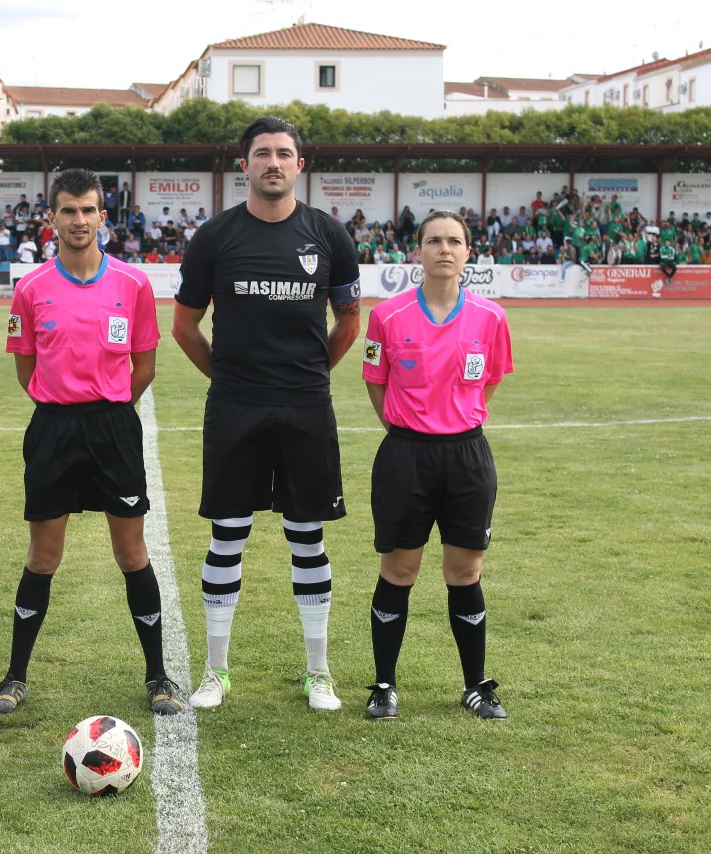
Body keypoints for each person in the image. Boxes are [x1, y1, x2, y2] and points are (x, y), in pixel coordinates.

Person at [171, 116, 361, 712]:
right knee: (228, 535)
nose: (273, 163)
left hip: (306, 407)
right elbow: (183, 326)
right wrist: (229, 378)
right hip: (236, 407)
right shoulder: (215, 237)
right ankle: (216, 672)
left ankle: (319, 673)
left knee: (307, 537)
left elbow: (349, 320)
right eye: (262, 154)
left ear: (300, 165)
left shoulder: (329, 235)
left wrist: (307, 376)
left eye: (283, 153)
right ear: (244, 166)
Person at [0, 168, 183, 718]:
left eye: (87, 210)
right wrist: (62, 402)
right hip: (53, 429)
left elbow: (143, 363)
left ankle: (158, 676)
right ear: (51, 219)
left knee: (131, 553)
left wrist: (110, 403)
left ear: (103, 216)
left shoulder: (133, 285)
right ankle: (15, 676)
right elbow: (26, 368)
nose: (78, 220)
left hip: (113, 429)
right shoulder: (31, 288)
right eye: (68, 210)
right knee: (43, 555)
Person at [360, 210, 513, 721]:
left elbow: (489, 381)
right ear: (417, 251)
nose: (444, 249)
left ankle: (475, 685)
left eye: (454, 241)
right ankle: (384, 685)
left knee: (464, 570)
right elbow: (376, 383)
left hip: (467, 455)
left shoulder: (491, 317)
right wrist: (410, 429)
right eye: (433, 241)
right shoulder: (389, 315)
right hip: (406, 454)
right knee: (399, 568)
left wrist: (454, 420)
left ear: (469, 251)